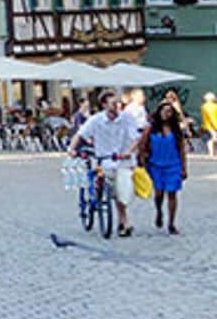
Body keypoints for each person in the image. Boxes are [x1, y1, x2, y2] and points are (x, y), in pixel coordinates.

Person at [71, 90, 142, 237]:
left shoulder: (126, 118)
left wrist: (129, 151)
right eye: (112, 104)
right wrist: (71, 149)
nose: (116, 106)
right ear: (104, 105)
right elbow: (80, 134)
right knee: (111, 185)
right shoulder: (96, 120)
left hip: (123, 160)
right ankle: (123, 221)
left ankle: (123, 219)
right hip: (105, 160)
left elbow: (136, 138)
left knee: (122, 191)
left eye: (117, 103)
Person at [140, 102, 189, 235]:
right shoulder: (150, 129)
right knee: (159, 193)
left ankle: (171, 223)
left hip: (173, 165)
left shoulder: (176, 130)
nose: (166, 114)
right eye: (164, 111)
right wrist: (143, 163)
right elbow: (142, 146)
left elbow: (181, 150)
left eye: (169, 111)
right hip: (155, 165)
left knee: (172, 193)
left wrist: (184, 167)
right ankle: (159, 211)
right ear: (159, 112)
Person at [202, 93, 217, 158]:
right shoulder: (212, 106)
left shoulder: (204, 106)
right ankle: (212, 153)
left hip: (207, 125)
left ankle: (211, 153)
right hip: (212, 126)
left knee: (210, 139)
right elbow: (212, 117)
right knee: (214, 138)